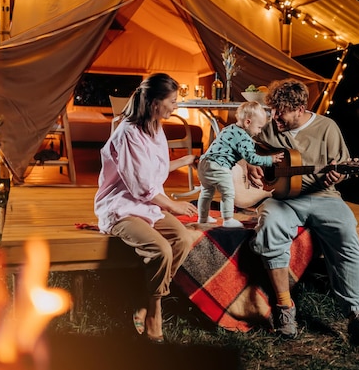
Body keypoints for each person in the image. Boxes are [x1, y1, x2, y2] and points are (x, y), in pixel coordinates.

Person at [246, 78, 359, 342]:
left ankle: (357, 316)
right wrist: (250, 162)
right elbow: (243, 145)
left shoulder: (327, 128)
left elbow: (342, 167)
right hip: (284, 199)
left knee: (346, 231)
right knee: (269, 224)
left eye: (281, 112)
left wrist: (338, 176)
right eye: (273, 111)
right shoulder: (271, 128)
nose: (276, 117)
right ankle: (285, 308)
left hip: (323, 196)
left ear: (300, 108)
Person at [94, 73, 198, 344]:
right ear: (154, 104)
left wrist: (185, 160)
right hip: (122, 208)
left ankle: (146, 299)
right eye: (172, 101)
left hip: (148, 206)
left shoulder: (155, 128)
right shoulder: (128, 132)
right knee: (162, 249)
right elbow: (142, 186)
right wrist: (174, 206)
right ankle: (155, 312)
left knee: (183, 239)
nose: (175, 107)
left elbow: (155, 172)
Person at [197, 101, 284, 227]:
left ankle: (203, 218)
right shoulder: (244, 138)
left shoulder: (229, 128)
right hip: (219, 166)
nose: (259, 131)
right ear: (248, 122)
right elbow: (252, 159)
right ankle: (228, 220)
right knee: (228, 193)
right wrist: (271, 160)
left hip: (204, 163)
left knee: (206, 192)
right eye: (259, 127)